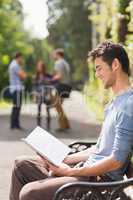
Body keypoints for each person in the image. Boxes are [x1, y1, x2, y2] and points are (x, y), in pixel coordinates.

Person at [9, 41, 133, 200]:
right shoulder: (113, 104)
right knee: (21, 164)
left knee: (29, 193)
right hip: (87, 171)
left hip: (100, 184)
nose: (97, 74)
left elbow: (116, 160)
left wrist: (70, 171)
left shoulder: (128, 105)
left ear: (115, 64)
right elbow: (100, 148)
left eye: (99, 68)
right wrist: (64, 159)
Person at [51, 48, 72, 132]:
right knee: (59, 106)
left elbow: (59, 76)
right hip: (67, 86)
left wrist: (51, 80)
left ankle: (62, 126)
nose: (53, 56)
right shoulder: (65, 63)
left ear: (58, 55)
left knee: (57, 105)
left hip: (61, 86)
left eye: (54, 54)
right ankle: (66, 124)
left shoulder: (58, 62)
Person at [8, 52, 27, 130]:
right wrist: (23, 72)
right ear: (18, 57)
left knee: (16, 107)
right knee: (17, 107)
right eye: (21, 58)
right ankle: (14, 125)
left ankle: (15, 124)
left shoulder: (14, 64)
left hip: (15, 88)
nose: (22, 59)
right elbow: (23, 76)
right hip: (16, 89)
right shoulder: (15, 65)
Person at [32, 60, 53, 127]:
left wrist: (49, 94)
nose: (39, 67)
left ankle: (48, 125)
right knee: (39, 110)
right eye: (38, 66)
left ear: (43, 67)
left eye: (40, 66)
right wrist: (34, 96)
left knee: (48, 110)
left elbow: (51, 86)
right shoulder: (36, 76)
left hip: (46, 94)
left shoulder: (48, 75)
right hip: (39, 95)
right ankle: (38, 125)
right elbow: (34, 87)